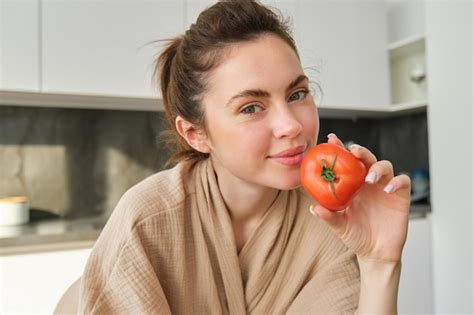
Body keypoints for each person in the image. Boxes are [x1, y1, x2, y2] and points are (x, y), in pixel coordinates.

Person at [78, 1, 410, 314]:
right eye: (251, 107)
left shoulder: (330, 222)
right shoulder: (146, 221)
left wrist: (380, 263)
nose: (291, 126)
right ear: (196, 133)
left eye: (297, 94)